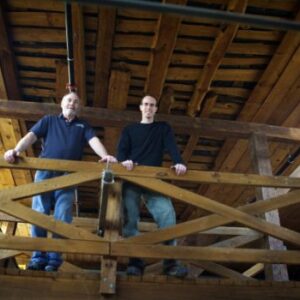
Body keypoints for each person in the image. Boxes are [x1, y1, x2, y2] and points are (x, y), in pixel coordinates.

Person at [4, 91, 117, 272]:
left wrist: (106, 156)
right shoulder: (49, 120)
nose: (72, 103)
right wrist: (16, 150)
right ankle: (38, 257)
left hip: (68, 175)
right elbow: (31, 136)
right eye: (69, 100)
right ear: (62, 104)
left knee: (63, 214)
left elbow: (94, 140)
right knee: (39, 211)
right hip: (45, 172)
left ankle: (54, 259)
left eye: (75, 102)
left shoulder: (83, 125)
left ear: (78, 107)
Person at [117, 95, 188, 278]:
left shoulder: (162, 128)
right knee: (129, 218)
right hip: (132, 178)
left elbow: (171, 146)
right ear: (141, 107)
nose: (149, 108)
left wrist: (179, 162)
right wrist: (124, 162)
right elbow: (121, 153)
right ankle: (136, 262)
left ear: (156, 109)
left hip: (153, 180)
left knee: (167, 216)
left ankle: (170, 263)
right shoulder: (130, 129)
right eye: (146, 104)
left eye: (152, 105)